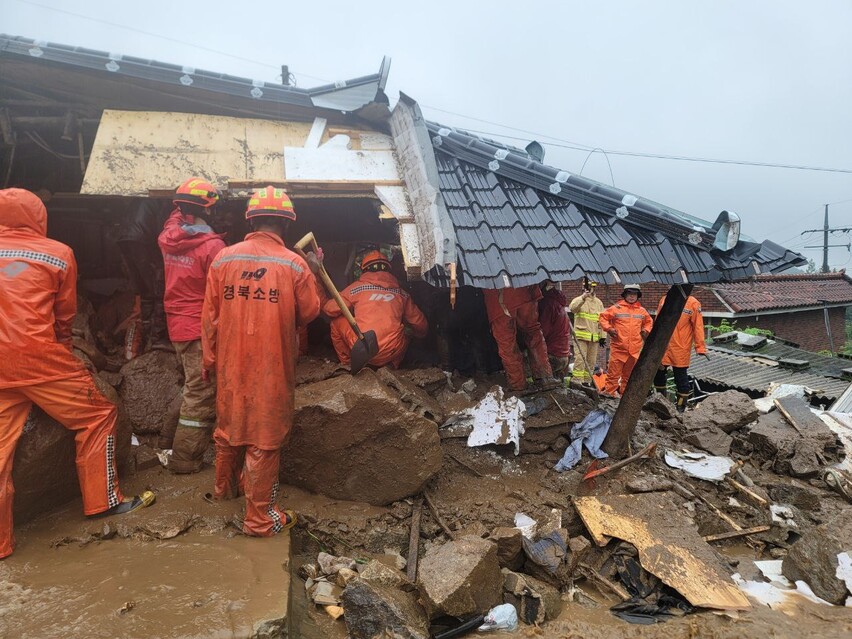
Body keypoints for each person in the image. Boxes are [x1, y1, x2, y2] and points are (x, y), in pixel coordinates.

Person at [0, 188, 152, 559]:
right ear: (38, 217)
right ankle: (103, 501)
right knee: (99, 414)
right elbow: (64, 317)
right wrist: (64, 355)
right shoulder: (57, 253)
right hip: (37, 357)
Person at [201, 186, 322, 537]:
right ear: (286, 223)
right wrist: (314, 270)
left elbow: (210, 316)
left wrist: (208, 359)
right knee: (264, 439)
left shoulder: (223, 258)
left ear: (251, 219)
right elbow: (310, 312)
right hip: (271, 365)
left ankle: (223, 493)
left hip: (229, 363)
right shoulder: (294, 264)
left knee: (228, 429)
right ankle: (259, 519)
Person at [158, 178, 226, 473]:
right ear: (207, 210)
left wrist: (184, 202)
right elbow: (221, 295)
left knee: (192, 384)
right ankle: (184, 460)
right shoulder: (212, 247)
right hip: (199, 328)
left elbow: (177, 214)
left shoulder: (169, 236)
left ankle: (165, 442)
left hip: (176, 324)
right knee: (200, 394)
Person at [324, 250, 428, 369]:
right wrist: (420, 337)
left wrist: (327, 299)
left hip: (361, 348)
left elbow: (330, 309)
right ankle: (393, 365)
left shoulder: (356, 289)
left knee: (336, 321)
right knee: (406, 331)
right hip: (391, 351)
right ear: (389, 270)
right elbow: (421, 324)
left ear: (364, 270)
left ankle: (348, 363)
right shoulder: (402, 294)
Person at [483, 285, 554, 391]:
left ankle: (517, 385)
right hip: (525, 292)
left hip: (499, 299)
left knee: (507, 342)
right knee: (533, 332)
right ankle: (545, 376)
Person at [653, 293, 709, 412]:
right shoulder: (665, 299)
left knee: (681, 379)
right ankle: (660, 403)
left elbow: (698, 326)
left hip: (680, 347)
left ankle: (680, 407)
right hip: (663, 345)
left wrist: (700, 347)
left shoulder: (693, 303)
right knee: (658, 375)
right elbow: (657, 321)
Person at [599, 284, 653, 397]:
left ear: (638, 296)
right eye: (630, 294)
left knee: (629, 377)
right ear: (625, 295)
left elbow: (649, 322)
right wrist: (609, 329)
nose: (632, 297)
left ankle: (625, 397)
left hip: (634, 350)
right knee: (613, 375)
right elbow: (603, 317)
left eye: (634, 294)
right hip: (619, 348)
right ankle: (609, 395)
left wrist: (646, 330)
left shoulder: (642, 311)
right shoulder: (616, 308)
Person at [568, 280, 605, 386]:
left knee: (591, 362)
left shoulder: (599, 303)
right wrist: (583, 297)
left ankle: (586, 382)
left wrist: (603, 336)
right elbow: (572, 308)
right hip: (581, 337)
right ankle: (576, 381)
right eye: (588, 288)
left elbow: (602, 320)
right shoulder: (579, 300)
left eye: (592, 288)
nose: (590, 290)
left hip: (594, 338)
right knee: (580, 359)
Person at [538, 280, 572, 378]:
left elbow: (542, 333)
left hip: (553, 355)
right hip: (564, 355)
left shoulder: (547, 304)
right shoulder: (559, 303)